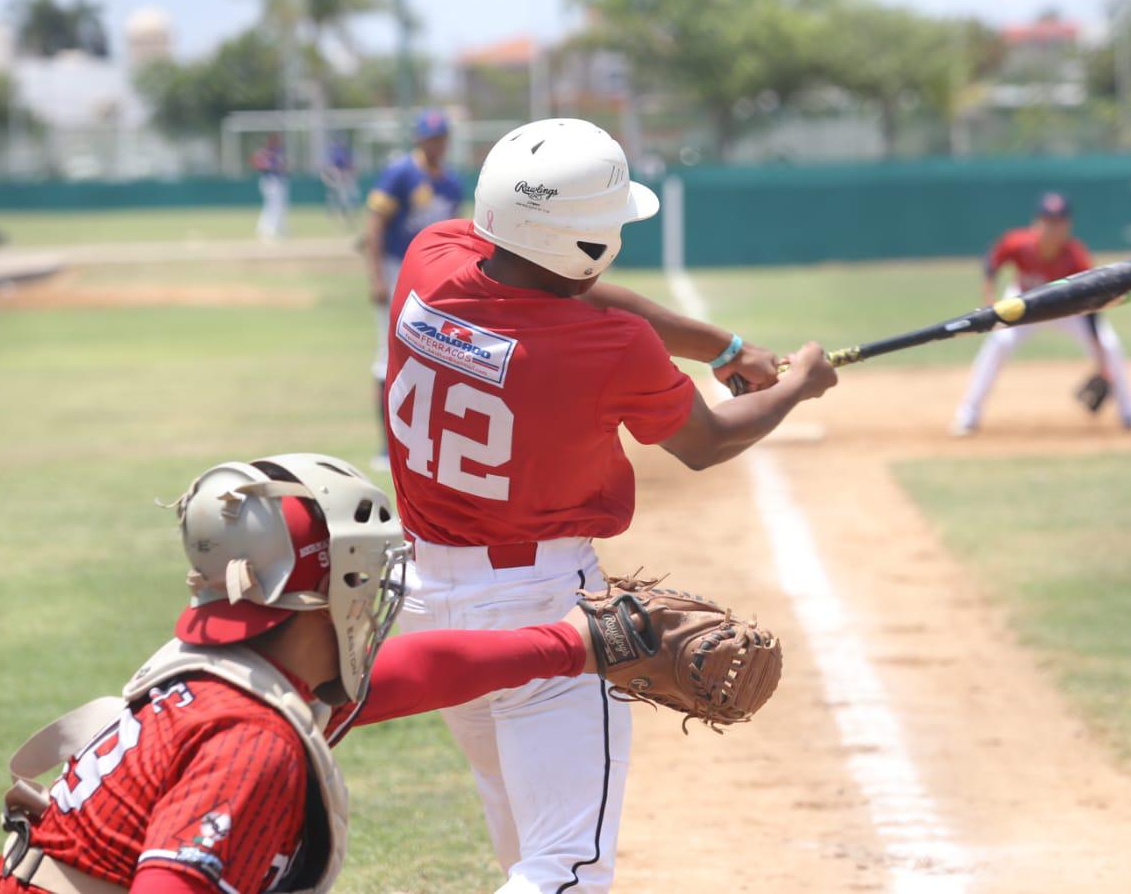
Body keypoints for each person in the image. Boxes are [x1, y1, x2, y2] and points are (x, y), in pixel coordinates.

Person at [383, 117, 838, 892]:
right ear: (588, 243)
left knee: (526, 847)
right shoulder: (607, 349)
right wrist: (799, 384)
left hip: (429, 605)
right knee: (567, 869)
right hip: (542, 611)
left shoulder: (429, 260)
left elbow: (573, 289)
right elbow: (705, 440)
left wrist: (727, 351)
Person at [0, 452, 619, 894]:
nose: (372, 595)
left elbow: (412, 673)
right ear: (320, 595)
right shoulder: (250, 742)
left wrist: (571, 646)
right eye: (360, 574)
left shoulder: (211, 672)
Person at [950, 192, 1131, 436]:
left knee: (1110, 347)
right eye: (1047, 220)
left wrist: (1100, 357)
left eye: (1058, 221)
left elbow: (1092, 307)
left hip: (1068, 309)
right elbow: (992, 260)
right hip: (1023, 304)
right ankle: (968, 414)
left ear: (1068, 226)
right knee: (998, 343)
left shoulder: (1076, 257)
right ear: (1036, 222)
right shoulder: (1018, 243)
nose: (1052, 228)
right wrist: (990, 297)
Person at [363, 109, 463, 469]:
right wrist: (376, 277)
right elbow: (374, 226)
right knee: (389, 356)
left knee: (439, 357)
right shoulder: (401, 172)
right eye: (430, 137)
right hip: (396, 270)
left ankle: (426, 441)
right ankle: (386, 448)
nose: (436, 143)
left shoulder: (451, 182)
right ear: (419, 139)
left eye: (441, 137)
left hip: (436, 279)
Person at [251, 135, 289, 241]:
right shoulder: (267, 153)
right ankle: (270, 231)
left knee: (274, 206)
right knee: (274, 206)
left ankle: (271, 230)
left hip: (275, 181)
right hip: (271, 181)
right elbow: (261, 166)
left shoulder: (276, 153)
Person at [319, 135, 360, 227]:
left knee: (347, 198)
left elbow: (352, 167)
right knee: (338, 199)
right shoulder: (334, 153)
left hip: (345, 180)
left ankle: (347, 217)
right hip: (338, 180)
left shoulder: (346, 152)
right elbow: (329, 167)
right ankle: (342, 217)